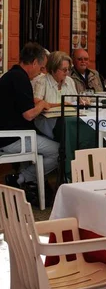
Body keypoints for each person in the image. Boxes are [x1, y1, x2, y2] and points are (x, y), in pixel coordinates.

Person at [0, 43, 58, 191]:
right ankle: (21, 178)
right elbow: (29, 115)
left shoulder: (10, 76)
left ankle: (25, 181)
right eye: (41, 67)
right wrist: (42, 104)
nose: (40, 72)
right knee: (59, 151)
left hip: (7, 134)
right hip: (12, 138)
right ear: (33, 63)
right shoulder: (21, 79)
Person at [33, 51, 78, 140]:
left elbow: (75, 100)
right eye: (64, 70)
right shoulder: (42, 81)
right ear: (53, 69)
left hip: (68, 120)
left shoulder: (69, 81)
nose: (67, 72)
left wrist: (81, 101)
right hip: (48, 122)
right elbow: (37, 103)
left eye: (69, 69)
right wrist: (61, 105)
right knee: (69, 134)